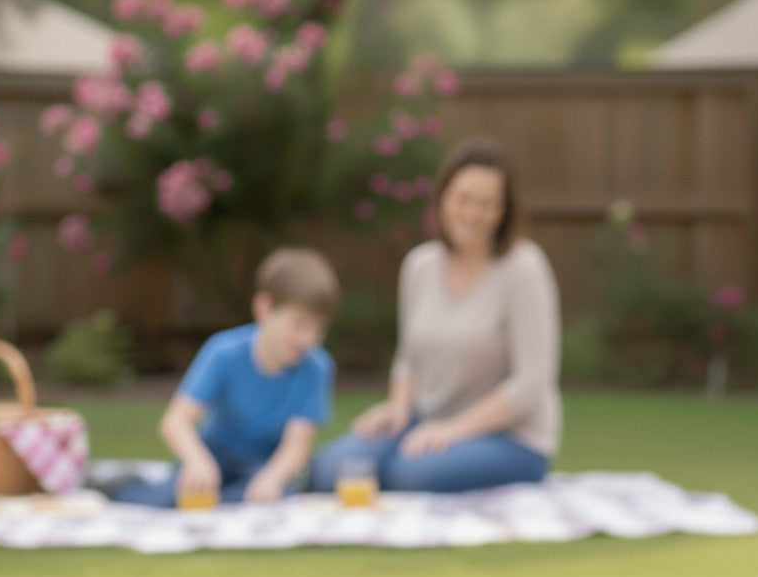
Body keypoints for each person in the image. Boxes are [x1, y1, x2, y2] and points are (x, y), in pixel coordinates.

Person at [309, 135, 561, 494]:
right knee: (331, 470)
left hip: (512, 440)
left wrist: (453, 431)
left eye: (488, 204)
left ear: (505, 211)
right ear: (443, 198)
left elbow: (530, 385)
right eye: (464, 199)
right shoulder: (419, 266)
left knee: (410, 474)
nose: (473, 213)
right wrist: (397, 409)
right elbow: (408, 358)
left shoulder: (524, 268)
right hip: (425, 423)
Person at [113, 247, 339, 507]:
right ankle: (116, 485)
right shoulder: (224, 352)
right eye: (298, 324)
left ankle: (225, 502)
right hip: (213, 455)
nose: (308, 339)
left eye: (318, 329)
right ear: (264, 309)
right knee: (168, 499)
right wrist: (197, 460)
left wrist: (272, 478)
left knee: (279, 492)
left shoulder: (317, 367)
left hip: (263, 464)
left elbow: (297, 444)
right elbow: (176, 421)